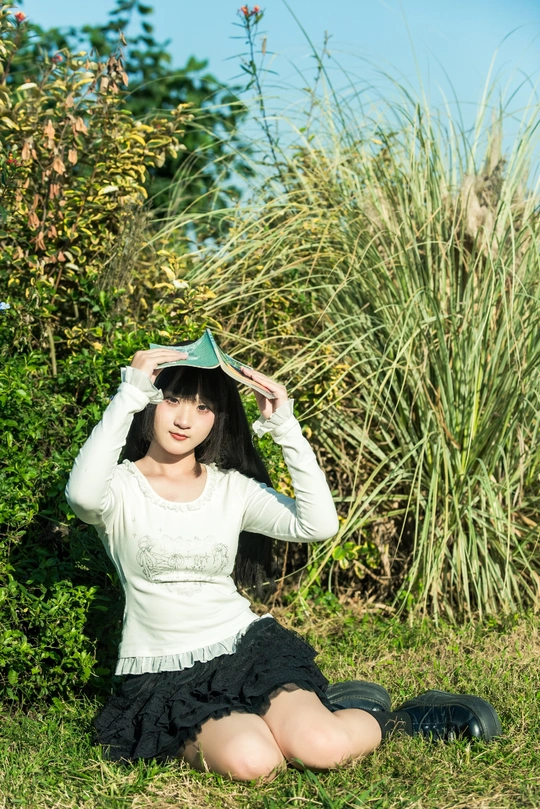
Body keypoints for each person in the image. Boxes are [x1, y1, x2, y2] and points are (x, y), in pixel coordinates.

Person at [65, 346, 502, 781]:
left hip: (247, 651)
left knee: (321, 747)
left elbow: (318, 524)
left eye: (203, 407)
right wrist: (129, 391)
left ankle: (403, 719)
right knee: (255, 762)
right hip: (167, 674)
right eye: (173, 400)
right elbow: (81, 496)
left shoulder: (230, 489)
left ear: (217, 419)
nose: (184, 419)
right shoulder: (120, 488)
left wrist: (286, 427)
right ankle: (328, 709)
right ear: (151, 401)